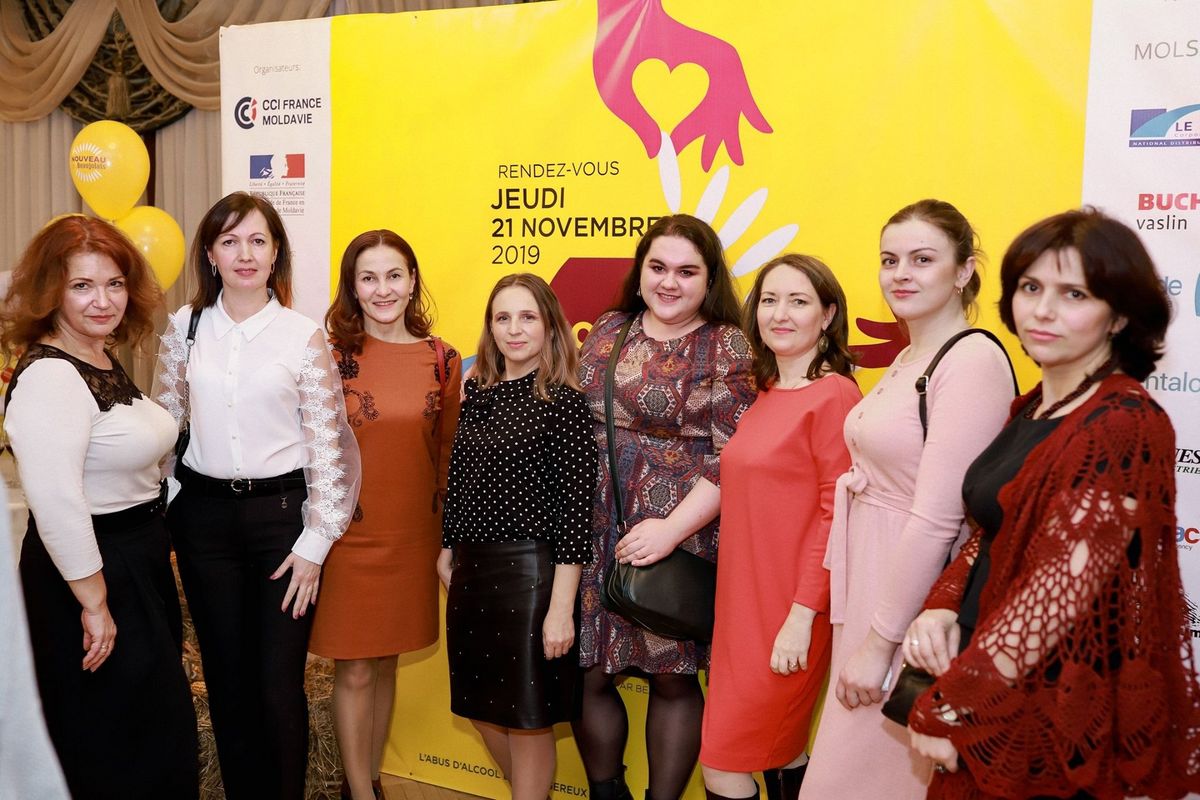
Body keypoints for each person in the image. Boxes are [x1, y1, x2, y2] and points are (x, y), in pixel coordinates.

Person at [903, 209, 1200, 799]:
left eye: (1074, 294)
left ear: (1119, 315)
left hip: (1044, 702)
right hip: (985, 674)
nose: (1042, 310)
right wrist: (941, 604)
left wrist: (956, 705)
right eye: (1031, 287)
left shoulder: (1124, 422)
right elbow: (996, 530)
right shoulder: (1036, 406)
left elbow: (1061, 588)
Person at [799, 200, 1015, 800]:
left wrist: (880, 644)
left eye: (922, 260)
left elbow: (938, 519)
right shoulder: (910, 355)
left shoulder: (971, 360)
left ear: (964, 270)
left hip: (909, 605)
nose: (901, 274)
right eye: (890, 260)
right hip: (872, 587)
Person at [154, 192, 360, 800]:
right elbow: (165, 427)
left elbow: (328, 447)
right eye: (230, 241)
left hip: (282, 525)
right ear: (210, 254)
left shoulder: (303, 335)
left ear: (275, 254)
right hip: (204, 523)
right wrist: (168, 505)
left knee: (277, 685)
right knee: (226, 683)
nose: (244, 254)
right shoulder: (184, 328)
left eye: (258, 241)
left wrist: (315, 544)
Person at [2, 215, 198, 799]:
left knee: (146, 733)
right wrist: (94, 602)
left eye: (114, 284)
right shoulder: (51, 376)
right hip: (87, 575)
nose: (103, 300)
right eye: (82, 286)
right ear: (51, 292)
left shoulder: (98, 358)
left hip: (132, 563)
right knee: (113, 744)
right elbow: (57, 501)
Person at [575, 214, 756, 800]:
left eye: (686, 271)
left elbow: (734, 456)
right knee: (590, 672)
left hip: (681, 530)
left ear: (710, 279)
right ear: (640, 271)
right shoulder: (611, 327)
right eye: (657, 267)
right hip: (598, 525)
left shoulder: (727, 344)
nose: (669, 282)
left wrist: (671, 531)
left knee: (671, 678)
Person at [700, 255, 861, 800]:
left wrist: (800, 616)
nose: (780, 314)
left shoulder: (835, 395)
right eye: (769, 300)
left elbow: (838, 515)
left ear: (827, 314)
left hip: (790, 613)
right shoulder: (766, 393)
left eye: (798, 301)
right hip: (741, 610)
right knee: (783, 750)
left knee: (723, 765)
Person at [311, 229, 462, 800]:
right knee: (353, 667)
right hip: (346, 538)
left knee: (386, 663)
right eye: (368, 278)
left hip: (413, 536)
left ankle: (370, 778)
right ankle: (358, 792)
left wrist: (449, 540)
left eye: (394, 276)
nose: (383, 290)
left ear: (413, 281)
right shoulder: (327, 357)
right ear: (352, 287)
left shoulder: (442, 359)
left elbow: (448, 456)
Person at [438, 273, 596, 800]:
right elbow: (460, 477)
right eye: (502, 317)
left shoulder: (565, 404)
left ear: (550, 325)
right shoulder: (477, 394)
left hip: (532, 578)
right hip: (472, 572)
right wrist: (447, 547)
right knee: (480, 710)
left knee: (528, 720)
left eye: (528, 316)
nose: (514, 329)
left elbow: (575, 516)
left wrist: (560, 609)